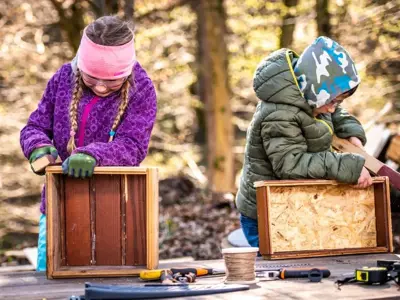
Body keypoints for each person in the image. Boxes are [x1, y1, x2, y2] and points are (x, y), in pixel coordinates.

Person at [20, 16, 157, 271]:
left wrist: (93, 155)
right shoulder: (63, 79)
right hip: (58, 202)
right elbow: (35, 126)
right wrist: (38, 146)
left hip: (113, 207)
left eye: (112, 81)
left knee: (109, 274)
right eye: (92, 78)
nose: (102, 88)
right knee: (49, 275)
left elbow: (134, 145)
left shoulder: (142, 89)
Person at [236, 36, 372, 248]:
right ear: (314, 88)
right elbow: (290, 165)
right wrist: (349, 166)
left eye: (339, 101)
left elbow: (334, 114)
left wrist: (351, 132)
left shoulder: (312, 99)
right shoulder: (279, 114)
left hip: (293, 206)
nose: (333, 107)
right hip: (267, 214)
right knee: (278, 273)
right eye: (333, 101)